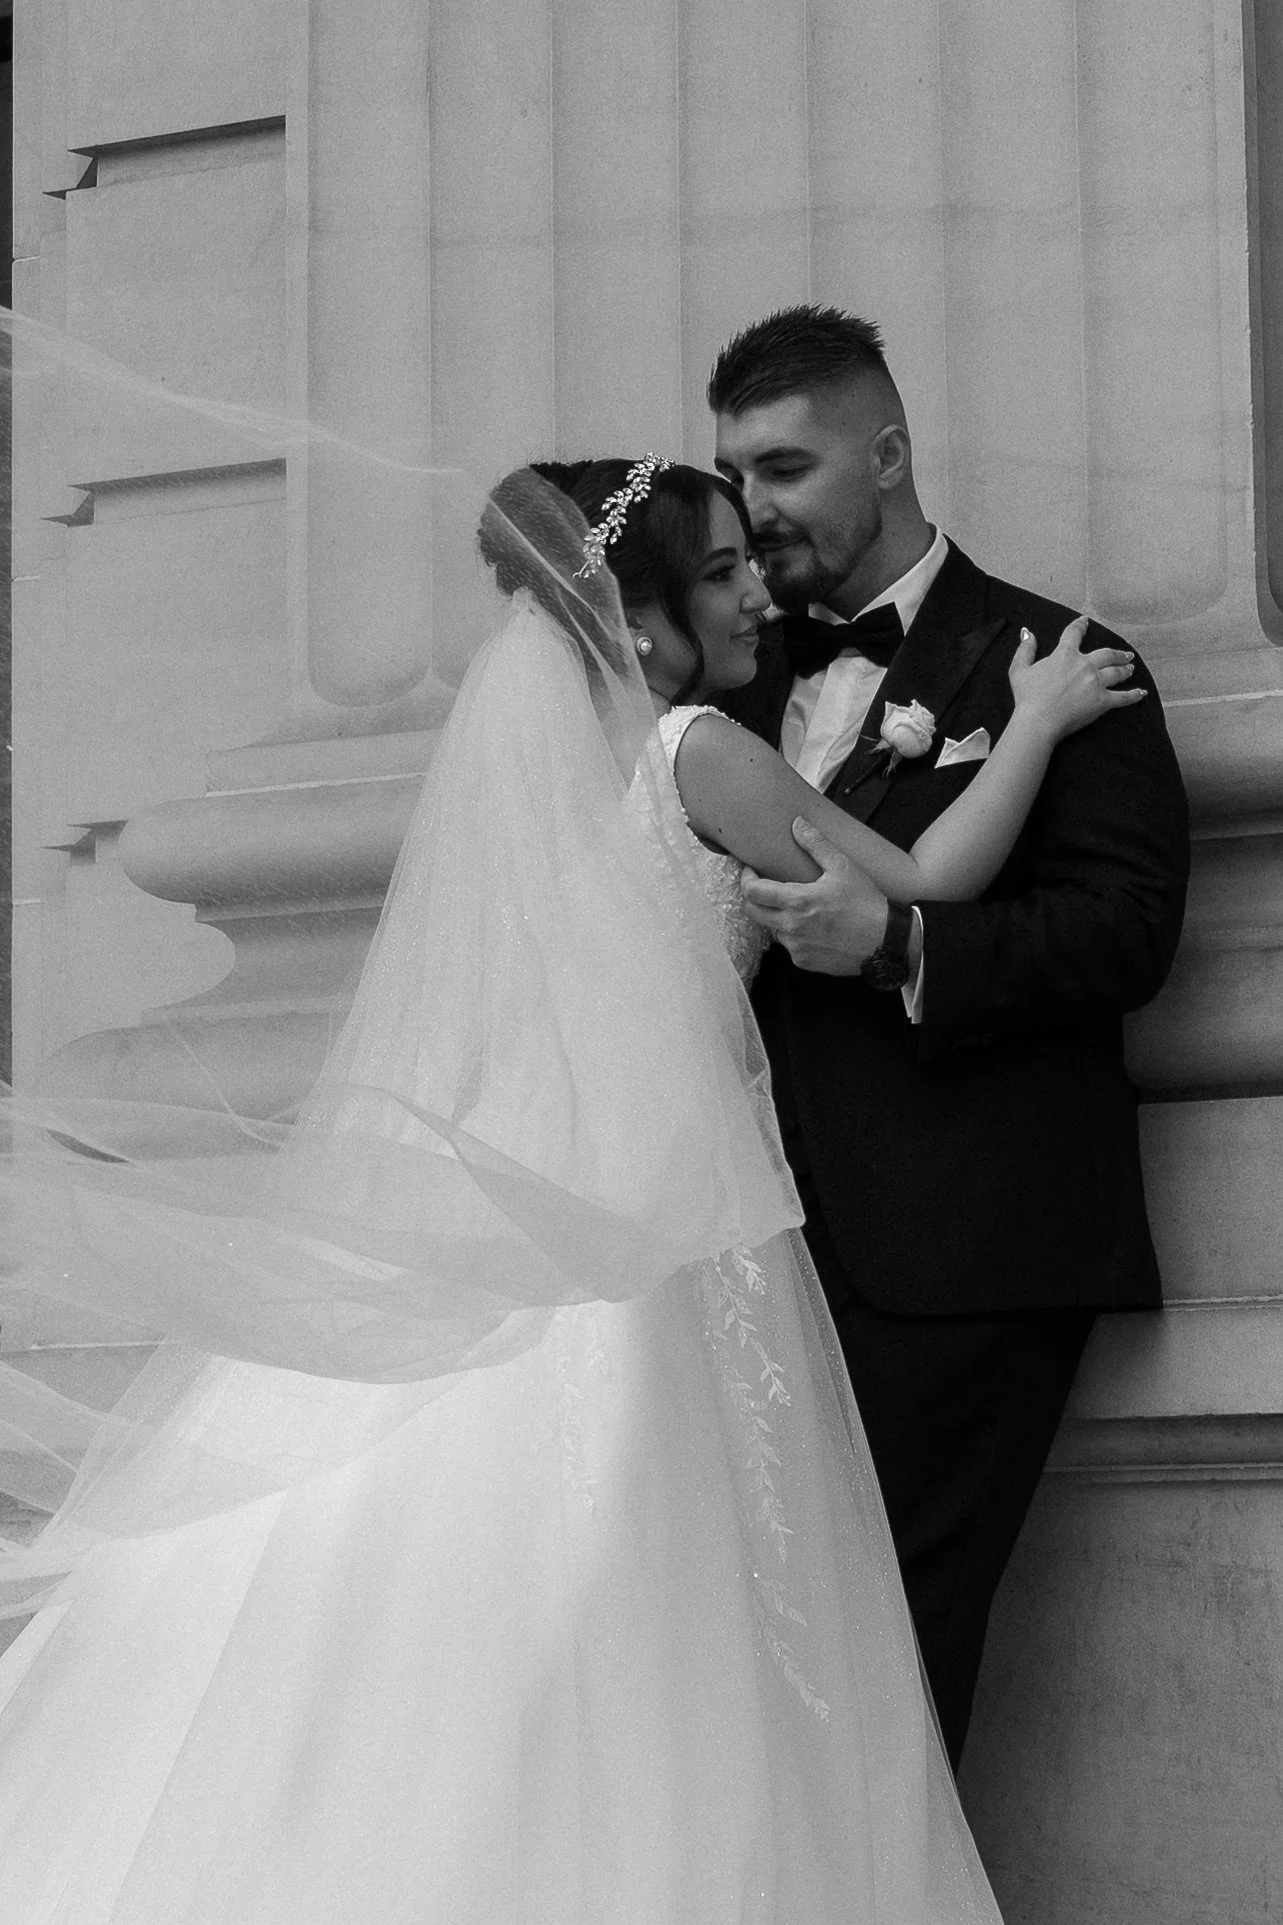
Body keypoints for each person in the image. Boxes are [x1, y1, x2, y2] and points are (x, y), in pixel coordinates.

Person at [0, 454, 1128, 1924]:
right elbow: (918, 883)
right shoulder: (695, 754)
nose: (754, 591)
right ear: (639, 619)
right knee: (652, 1589)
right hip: (661, 1212)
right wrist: (1030, 724)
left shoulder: (543, 772)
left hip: (544, 1181)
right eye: (718, 572)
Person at [706, 305, 1191, 1765]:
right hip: (742, 1258)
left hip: (958, 1252)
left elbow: (1122, 934)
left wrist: (902, 944)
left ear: (889, 453)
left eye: (785, 467)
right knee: (733, 1669)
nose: (755, 509)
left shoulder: (1065, 667)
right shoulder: (722, 677)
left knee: (891, 1669)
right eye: (734, 475)